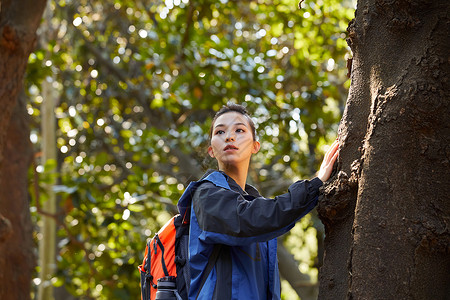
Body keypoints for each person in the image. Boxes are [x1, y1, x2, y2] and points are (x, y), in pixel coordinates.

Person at [177, 103, 339, 300]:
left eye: (239, 130)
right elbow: (252, 218)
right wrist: (315, 185)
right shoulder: (206, 195)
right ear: (211, 150)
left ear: (255, 146)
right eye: (220, 132)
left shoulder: (255, 205)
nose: (229, 136)